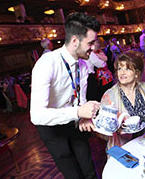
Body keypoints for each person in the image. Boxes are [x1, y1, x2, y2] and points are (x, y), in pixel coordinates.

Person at [30, 12, 101, 179]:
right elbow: (37, 115)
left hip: (74, 121)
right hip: (51, 126)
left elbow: (81, 97)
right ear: (75, 41)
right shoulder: (47, 64)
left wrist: (83, 117)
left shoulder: (83, 64)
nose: (94, 47)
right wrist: (77, 112)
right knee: (73, 174)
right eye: (90, 43)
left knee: (89, 169)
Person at [97, 50, 145, 149]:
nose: (122, 73)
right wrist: (113, 130)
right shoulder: (109, 96)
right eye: (120, 68)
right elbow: (103, 132)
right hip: (123, 148)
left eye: (128, 69)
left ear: (137, 73)